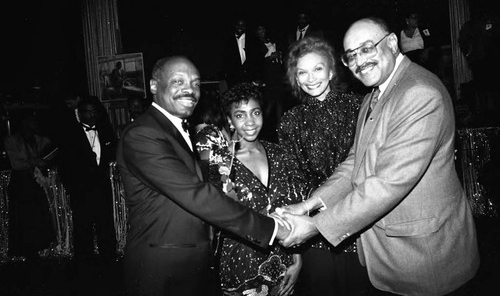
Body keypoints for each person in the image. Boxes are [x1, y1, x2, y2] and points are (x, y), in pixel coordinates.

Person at [278, 17, 480, 295]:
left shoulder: (418, 92)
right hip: (389, 256)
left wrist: (315, 226)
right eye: (351, 55)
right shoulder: (374, 96)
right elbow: (355, 163)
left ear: (393, 43)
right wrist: (309, 204)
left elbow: (388, 183)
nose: (360, 61)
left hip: (424, 259)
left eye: (367, 48)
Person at [116, 56, 291, 296]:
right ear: (154, 85)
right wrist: (274, 229)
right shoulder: (143, 133)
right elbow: (197, 195)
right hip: (163, 271)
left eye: (196, 83)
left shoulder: (177, 129)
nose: (190, 89)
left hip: (192, 266)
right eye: (178, 81)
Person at [277, 37, 370, 295]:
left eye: (317, 69)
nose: (310, 78)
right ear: (295, 78)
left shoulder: (359, 107)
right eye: (302, 72)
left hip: (358, 221)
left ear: (331, 71)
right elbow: (292, 180)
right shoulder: (290, 121)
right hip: (313, 231)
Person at [215, 83, 304, 296]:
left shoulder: (278, 153)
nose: (250, 122)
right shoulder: (220, 162)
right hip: (241, 269)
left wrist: (298, 259)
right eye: (240, 115)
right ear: (230, 120)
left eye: (255, 112)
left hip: (283, 264)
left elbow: (293, 207)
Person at [57, 96, 118, 264]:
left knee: (105, 226)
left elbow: (112, 152)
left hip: (102, 189)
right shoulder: (70, 135)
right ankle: (85, 267)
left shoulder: (105, 130)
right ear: (80, 114)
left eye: (94, 112)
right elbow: (63, 166)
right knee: (83, 229)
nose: (91, 115)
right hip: (81, 191)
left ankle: (109, 261)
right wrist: (72, 188)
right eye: (87, 112)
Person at [3, 116, 56, 261]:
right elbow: (16, 164)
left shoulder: (41, 139)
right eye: (28, 122)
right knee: (23, 217)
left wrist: (41, 160)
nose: (31, 125)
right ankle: (28, 250)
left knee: (36, 216)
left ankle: (37, 247)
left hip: (34, 182)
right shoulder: (12, 140)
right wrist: (36, 161)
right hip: (21, 183)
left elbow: (50, 154)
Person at [221, 18, 260, 87]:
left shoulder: (252, 40)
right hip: (234, 78)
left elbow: (257, 60)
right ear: (234, 26)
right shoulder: (228, 40)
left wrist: (257, 77)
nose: (240, 27)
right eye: (238, 25)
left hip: (250, 77)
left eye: (242, 25)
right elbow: (225, 59)